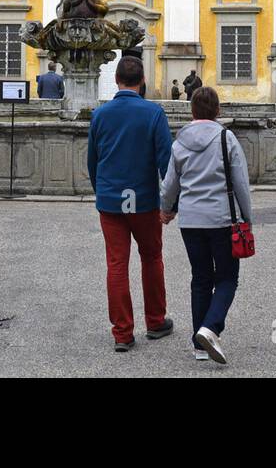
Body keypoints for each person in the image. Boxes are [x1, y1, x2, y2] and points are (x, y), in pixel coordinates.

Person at [86, 55, 175, 352]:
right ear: (143, 81)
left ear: (116, 80)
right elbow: (166, 161)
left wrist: (103, 193)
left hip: (111, 201)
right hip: (144, 201)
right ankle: (155, 321)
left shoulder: (100, 114)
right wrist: (169, 204)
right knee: (151, 257)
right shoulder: (153, 113)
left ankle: (122, 333)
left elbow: (92, 161)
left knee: (116, 264)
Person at [161, 86, 254, 365]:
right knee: (227, 278)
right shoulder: (226, 138)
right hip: (222, 219)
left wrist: (166, 210)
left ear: (192, 110)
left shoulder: (179, 142)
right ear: (217, 111)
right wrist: (247, 217)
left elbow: (169, 184)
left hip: (191, 221)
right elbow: (240, 183)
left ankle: (200, 347)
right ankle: (210, 328)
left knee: (201, 278)